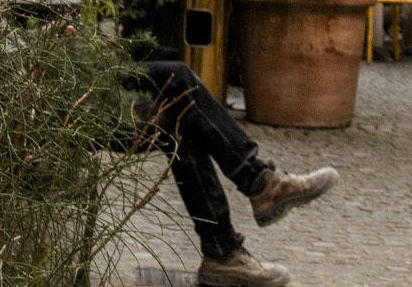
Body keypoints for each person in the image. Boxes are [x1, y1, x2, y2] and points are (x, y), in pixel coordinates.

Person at [132, 59, 337, 285]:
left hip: (98, 82)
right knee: (178, 78)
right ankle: (259, 185)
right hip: (91, 94)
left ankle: (222, 251)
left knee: (183, 116)